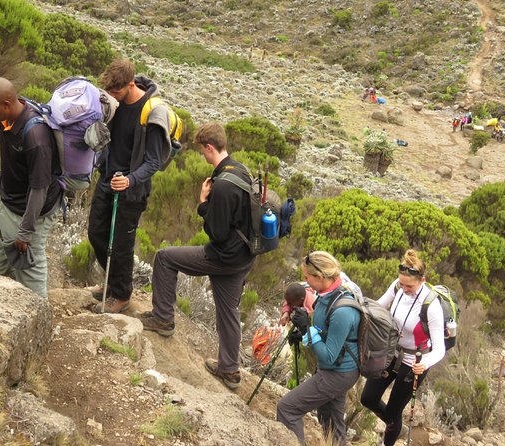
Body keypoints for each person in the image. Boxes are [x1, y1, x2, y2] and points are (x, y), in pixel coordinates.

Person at [138, 122, 255, 390]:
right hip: (244, 257)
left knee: (165, 257)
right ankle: (229, 370)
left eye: (203, 150)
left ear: (209, 147)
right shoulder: (242, 170)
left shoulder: (224, 184)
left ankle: (163, 318)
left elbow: (216, 232)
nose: (202, 155)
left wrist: (203, 204)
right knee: (228, 311)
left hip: (223, 256)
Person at [0, 77, 62, 298]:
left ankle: (38, 315)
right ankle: (11, 279)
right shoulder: (7, 119)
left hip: (28, 204)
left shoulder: (36, 136)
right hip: (3, 187)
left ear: (6, 104)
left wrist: (25, 231)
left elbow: (39, 188)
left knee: (29, 267)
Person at [87, 58, 169, 313]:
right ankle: (112, 283)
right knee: (96, 233)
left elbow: (154, 161)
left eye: (117, 91)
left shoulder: (153, 111)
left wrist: (131, 179)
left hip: (132, 190)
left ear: (131, 84)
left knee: (121, 245)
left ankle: (122, 296)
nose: (112, 97)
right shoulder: (115, 104)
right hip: (108, 179)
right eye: (109, 92)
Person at [360, 249, 445, 446]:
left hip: (414, 361)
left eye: (410, 286)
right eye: (402, 284)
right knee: (368, 398)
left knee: (393, 411)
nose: (405, 288)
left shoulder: (431, 305)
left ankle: (387, 439)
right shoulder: (397, 286)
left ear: (422, 280)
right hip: (391, 352)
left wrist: (425, 363)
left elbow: (439, 348)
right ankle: (396, 425)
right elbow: (379, 307)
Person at [277, 251, 361, 445]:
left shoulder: (342, 310)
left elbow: (328, 356)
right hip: (338, 370)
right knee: (331, 423)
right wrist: (306, 333)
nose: (305, 282)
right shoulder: (326, 294)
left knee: (287, 409)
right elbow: (325, 332)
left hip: (338, 372)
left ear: (320, 277)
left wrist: (308, 329)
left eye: (307, 277)